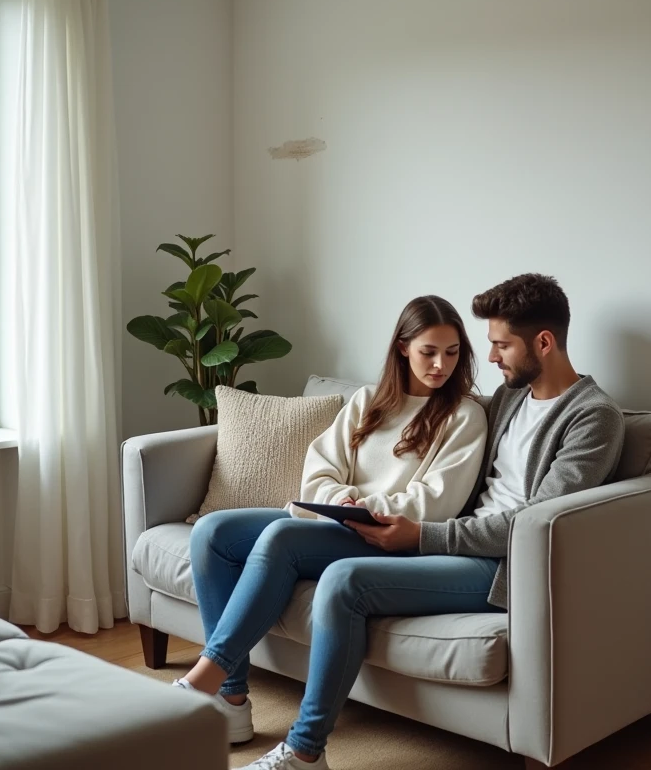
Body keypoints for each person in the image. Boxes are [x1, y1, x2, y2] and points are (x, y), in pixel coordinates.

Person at [177, 295, 489, 770]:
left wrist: (362, 505)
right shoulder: (367, 402)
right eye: (429, 351)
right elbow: (318, 473)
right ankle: (231, 698)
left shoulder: (465, 417)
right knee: (213, 533)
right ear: (403, 347)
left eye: (452, 352)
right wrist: (340, 501)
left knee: (282, 539)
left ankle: (205, 676)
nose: (441, 364)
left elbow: (436, 502)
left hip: (390, 538)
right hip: (332, 520)